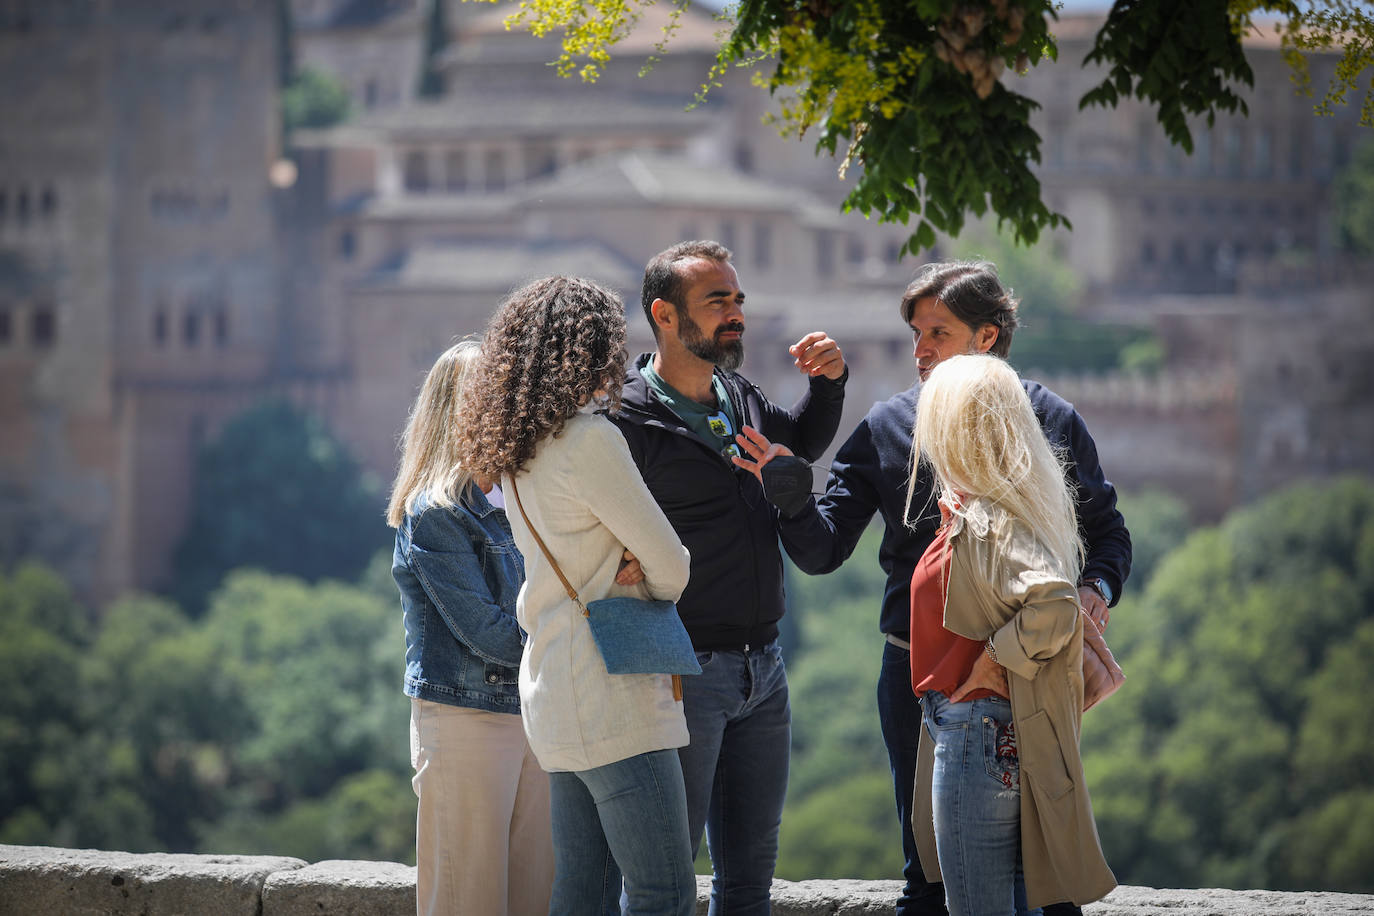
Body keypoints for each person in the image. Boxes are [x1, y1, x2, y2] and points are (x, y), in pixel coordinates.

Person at [731, 261, 1130, 916]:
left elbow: (1108, 534)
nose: (919, 350)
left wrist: (1095, 588)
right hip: (913, 669)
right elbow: (825, 550)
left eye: (936, 333)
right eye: (915, 333)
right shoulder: (889, 425)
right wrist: (793, 499)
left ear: (987, 336)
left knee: (1045, 866)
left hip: (1027, 663)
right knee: (928, 874)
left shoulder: (1049, 417)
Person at [606, 240, 848, 914]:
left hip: (761, 673)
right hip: (674, 671)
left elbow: (788, 455)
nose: (735, 314)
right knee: (662, 882)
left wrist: (829, 386)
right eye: (717, 302)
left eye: (738, 300)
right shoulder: (625, 419)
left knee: (748, 886)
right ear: (664, 313)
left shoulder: (737, 395)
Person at [456, 276, 696, 916]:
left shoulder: (517, 446)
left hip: (555, 694)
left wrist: (628, 559)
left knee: (581, 892)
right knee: (664, 893)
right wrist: (638, 569)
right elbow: (673, 568)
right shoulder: (589, 439)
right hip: (612, 694)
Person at [903, 352, 1115, 914]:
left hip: (977, 729)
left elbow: (1054, 603)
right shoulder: (1006, 508)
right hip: (997, 728)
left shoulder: (992, 517)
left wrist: (992, 662)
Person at [386, 340, 554, 916]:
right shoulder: (435, 513)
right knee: (468, 899)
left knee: (536, 898)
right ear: (457, 408)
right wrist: (572, 641)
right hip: (467, 717)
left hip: (534, 714)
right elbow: (484, 630)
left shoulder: (525, 498)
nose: (511, 407)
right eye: (494, 395)